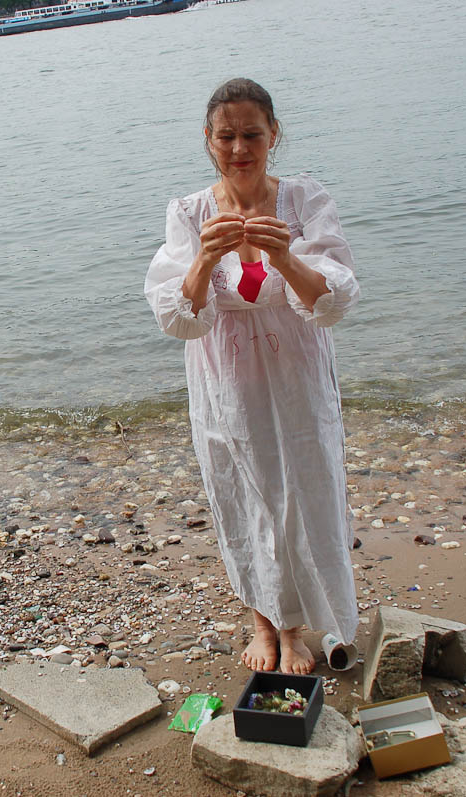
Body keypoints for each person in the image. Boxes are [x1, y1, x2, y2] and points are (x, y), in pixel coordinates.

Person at [144, 77, 361, 674]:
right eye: (226, 136)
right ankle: (265, 624)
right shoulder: (190, 213)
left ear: (273, 135)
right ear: (208, 139)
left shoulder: (304, 199)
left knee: (306, 493)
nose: (239, 148)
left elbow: (333, 302)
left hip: (298, 376)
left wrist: (284, 256)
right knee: (244, 495)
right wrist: (205, 259)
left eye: (252, 135)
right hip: (226, 382)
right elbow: (177, 317)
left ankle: (299, 629)